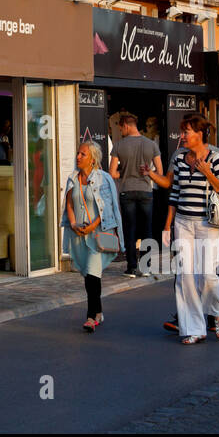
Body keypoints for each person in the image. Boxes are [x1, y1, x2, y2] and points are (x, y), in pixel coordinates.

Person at [147, 114, 219, 345]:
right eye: (182, 131)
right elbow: (174, 194)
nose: (182, 136)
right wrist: (168, 225)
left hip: (207, 225)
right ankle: (195, 329)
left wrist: (208, 173)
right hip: (183, 223)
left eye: (186, 132)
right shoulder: (180, 159)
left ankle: (217, 312)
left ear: (200, 134)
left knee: (207, 277)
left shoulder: (216, 158)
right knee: (185, 278)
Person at [62, 140, 122, 333]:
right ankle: (98, 311)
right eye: (78, 153)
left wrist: (92, 226)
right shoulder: (73, 178)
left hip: (96, 233)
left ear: (93, 159)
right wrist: (72, 224)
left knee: (92, 274)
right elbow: (69, 205)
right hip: (78, 233)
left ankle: (90, 316)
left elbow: (107, 207)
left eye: (83, 154)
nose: (78, 157)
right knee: (88, 274)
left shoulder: (104, 179)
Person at [110, 113, 161, 279]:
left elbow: (112, 173)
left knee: (129, 229)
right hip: (146, 190)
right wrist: (148, 173)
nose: (120, 131)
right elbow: (159, 172)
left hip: (127, 191)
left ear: (126, 125)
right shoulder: (151, 144)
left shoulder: (118, 145)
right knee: (147, 229)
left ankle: (131, 267)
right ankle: (145, 267)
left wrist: (124, 172)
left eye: (120, 128)